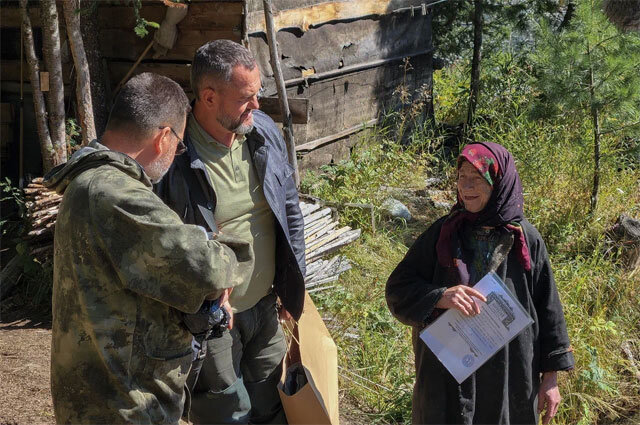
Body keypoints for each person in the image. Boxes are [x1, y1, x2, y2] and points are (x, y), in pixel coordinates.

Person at [44, 72, 252, 424]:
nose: (176, 154)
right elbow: (209, 268)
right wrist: (228, 248)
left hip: (102, 393)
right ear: (164, 138)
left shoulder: (91, 183)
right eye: (180, 144)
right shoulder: (116, 194)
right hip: (125, 404)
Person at [155, 40, 306, 424]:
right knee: (226, 414)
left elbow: (289, 209)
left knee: (275, 404)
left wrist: (294, 286)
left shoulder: (262, 132)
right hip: (213, 320)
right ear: (208, 97)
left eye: (258, 94)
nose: (257, 105)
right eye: (246, 98)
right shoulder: (173, 155)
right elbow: (162, 246)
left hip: (265, 306)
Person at [385, 142, 574, 425]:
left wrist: (551, 378)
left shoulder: (525, 239)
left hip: (508, 374)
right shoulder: (444, 232)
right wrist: (440, 296)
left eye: (477, 178)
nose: (466, 186)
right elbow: (398, 288)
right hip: (445, 372)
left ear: (498, 182)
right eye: (462, 177)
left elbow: (548, 310)